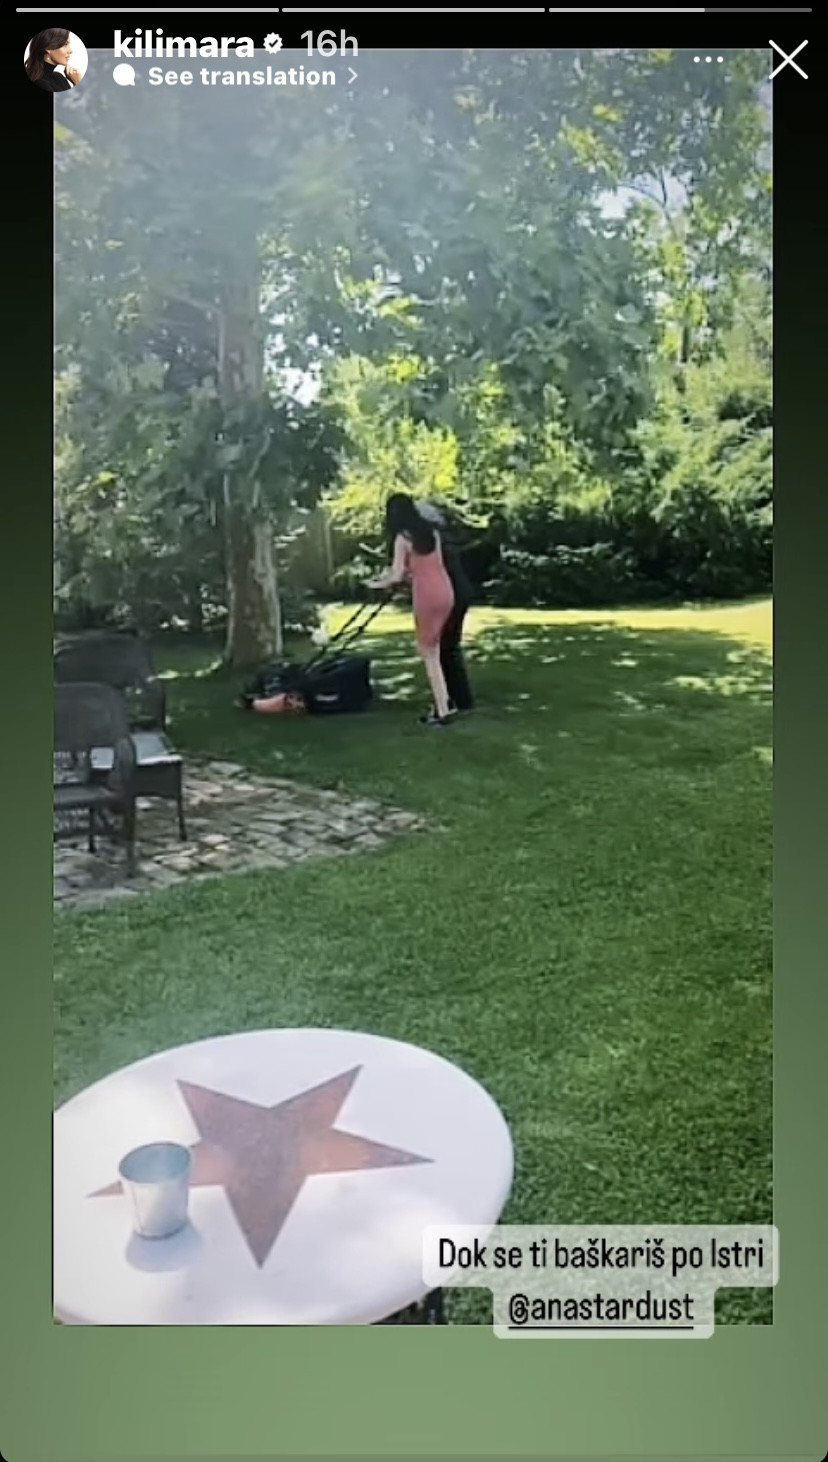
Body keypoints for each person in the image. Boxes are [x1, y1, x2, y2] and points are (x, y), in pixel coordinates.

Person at [369, 493, 456, 727]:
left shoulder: (402, 539)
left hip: (426, 596)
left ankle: (443, 711)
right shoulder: (432, 534)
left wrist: (377, 584)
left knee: (428, 652)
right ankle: (443, 701)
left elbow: (396, 575)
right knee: (434, 648)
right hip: (445, 592)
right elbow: (429, 566)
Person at [416, 499, 475, 714]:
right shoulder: (439, 538)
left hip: (452, 597)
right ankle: (455, 697)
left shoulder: (431, 540)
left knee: (447, 647)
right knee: (447, 647)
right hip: (457, 594)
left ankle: (458, 699)